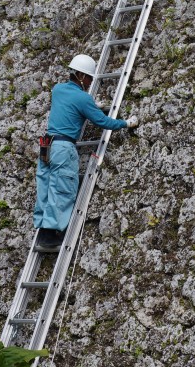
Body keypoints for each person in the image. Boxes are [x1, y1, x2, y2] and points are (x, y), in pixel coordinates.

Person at [34, 54, 139, 252]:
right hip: (63, 148)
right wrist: (126, 123)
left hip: (47, 146)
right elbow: (103, 122)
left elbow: (70, 107)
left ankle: (42, 230)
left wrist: (91, 106)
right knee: (62, 188)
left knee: (46, 185)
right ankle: (50, 236)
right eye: (90, 78)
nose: (91, 82)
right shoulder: (83, 98)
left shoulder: (58, 90)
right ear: (81, 76)